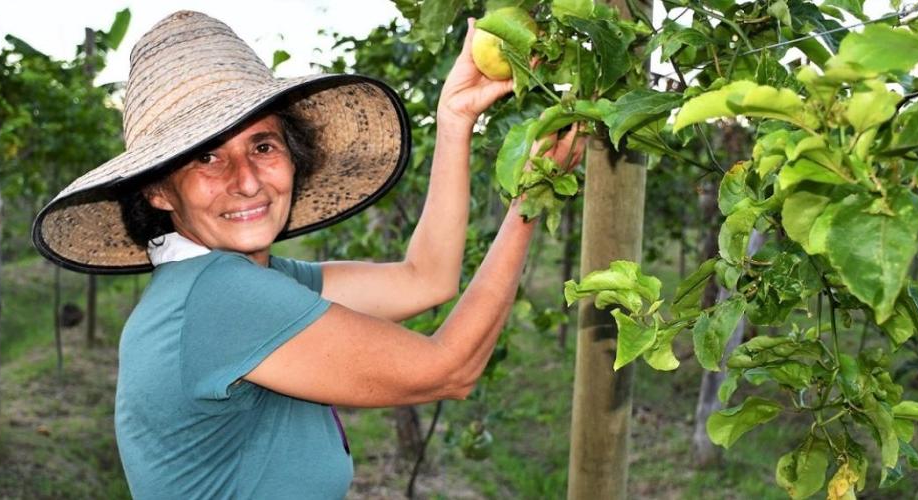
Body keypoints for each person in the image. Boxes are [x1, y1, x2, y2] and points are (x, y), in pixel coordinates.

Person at [33, 10, 582, 499]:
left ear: (293, 157)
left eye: (263, 146)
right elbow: (450, 370)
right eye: (207, 158)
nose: (247, 181)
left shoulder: (242, 282)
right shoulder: (221, 299)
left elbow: (424, 279)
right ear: (157, 191)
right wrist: (531, 201)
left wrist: (454, 117)